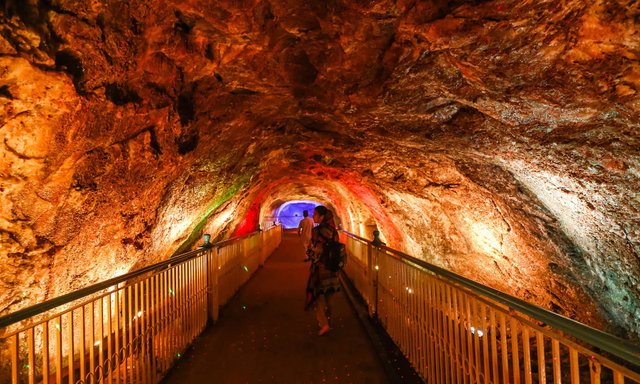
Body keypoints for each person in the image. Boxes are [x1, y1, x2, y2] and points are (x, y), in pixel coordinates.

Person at [304, 205, 341, 336]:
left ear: (322, 216)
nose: (313, 217)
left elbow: (315, 250)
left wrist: (310, 254)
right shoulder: (333, 230)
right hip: (333, 268)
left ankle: (324, 324)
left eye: (315, 214)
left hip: (321, 269)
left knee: (317, 297)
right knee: (329, 297)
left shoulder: (317, 231)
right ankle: (329, 321)